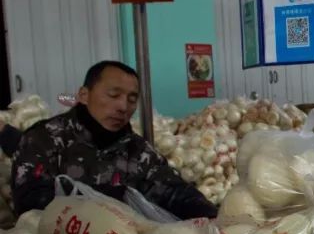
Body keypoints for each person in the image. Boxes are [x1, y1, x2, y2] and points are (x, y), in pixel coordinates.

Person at [12, 61, 217, 219]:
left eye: (131, 99)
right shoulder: (44, 139)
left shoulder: (137, 150)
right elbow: (30, 202)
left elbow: (171, 188)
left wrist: (207, 213)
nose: (123, 107)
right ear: (84, 95)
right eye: (113, 95)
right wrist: (116, 197)